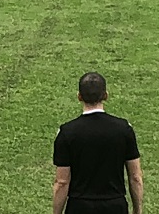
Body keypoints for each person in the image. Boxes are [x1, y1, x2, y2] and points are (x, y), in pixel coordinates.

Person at [53, 72, 143, 214]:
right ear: (106, 95)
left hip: (80, 207)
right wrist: (138, 210)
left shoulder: (67, 132)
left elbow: (62, 182)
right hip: (115, 206)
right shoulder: (124, 129)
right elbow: (135, 177)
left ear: (79, 96)